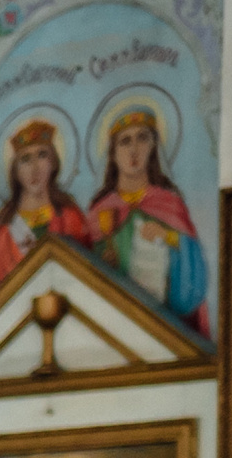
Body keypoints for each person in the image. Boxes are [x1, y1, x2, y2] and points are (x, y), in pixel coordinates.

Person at [85, 106, 210, 335]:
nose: (134, 149)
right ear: (112, 153)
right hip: (111, 327)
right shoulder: (99, 213)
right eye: (124, 141)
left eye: (142, 138)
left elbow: (194, 272)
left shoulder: (168, 204)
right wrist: (101, 265)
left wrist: (169, 237)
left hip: (161, 326)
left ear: (153, 146)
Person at [0, 118, 95, 315]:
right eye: (25, 159)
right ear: (15, 171)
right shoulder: (1, 233)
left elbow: (90, 279)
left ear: (53, 163)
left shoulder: (70, 218)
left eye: (41, 155)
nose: (34, 168)